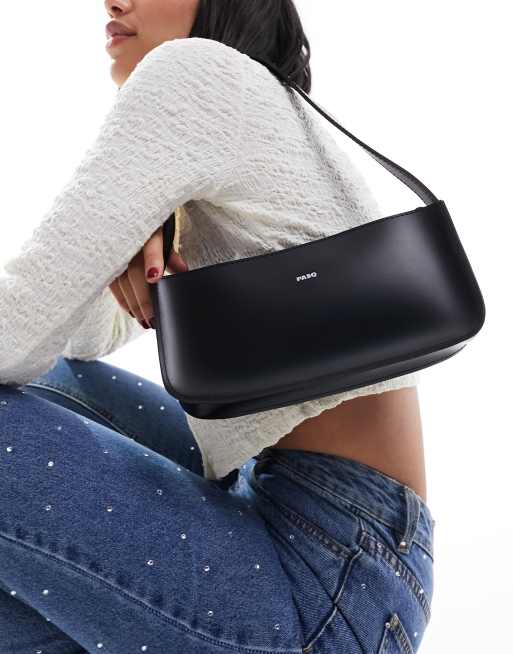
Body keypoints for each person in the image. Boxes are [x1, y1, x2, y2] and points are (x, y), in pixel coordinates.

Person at [0, 1, 435, 652]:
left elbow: (15, 335)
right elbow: (82, 343)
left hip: (323, 580)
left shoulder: (195, 70)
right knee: (61, 384)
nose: (112, 0)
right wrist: (127, 248)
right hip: (359, 554)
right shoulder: (256, 95)